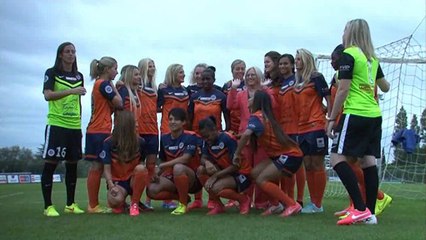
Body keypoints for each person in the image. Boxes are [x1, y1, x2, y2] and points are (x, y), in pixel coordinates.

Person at [327, 19, 387, 225]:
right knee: (368, 161)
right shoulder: (372, 59)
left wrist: (331, 118)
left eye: (344, 29)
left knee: (336, 158)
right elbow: (385, 87)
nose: (342, 33)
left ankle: (360, 208)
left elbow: (343, 90)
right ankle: (370, 214)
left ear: (350, 32)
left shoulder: (349, 54)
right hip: (374, 115)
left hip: (356, 113)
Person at [234, 90, 304, 217]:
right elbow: (250, 134)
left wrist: (237, 154)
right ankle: (276, 205)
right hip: (283, 155)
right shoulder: (266, 116)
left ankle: (291, 204)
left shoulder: (256, 116)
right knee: (254, 173)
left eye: (251, 98)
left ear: (256, 102)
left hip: (290, 156)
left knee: (262, 179)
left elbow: (246, 135)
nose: (248, 100)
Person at [41, 42, 86, 216]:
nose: (71, 54)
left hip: (74, 126)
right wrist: (71, 91)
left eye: (73, 51)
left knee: (72, 165)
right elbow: (48, 95)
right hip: (57, 124)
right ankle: (48, 206)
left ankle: (70, 204)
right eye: (67, 51)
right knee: (51, 164)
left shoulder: (78, 75)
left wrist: (79, 121)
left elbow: (78, 102)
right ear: (60, 54)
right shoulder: (51, 72)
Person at [226, 66, 270, 209]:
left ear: (259, 76)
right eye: (248, 75)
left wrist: (265, 90)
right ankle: (246, 199)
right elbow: (230, 106)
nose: (250, 77)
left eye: (253, 75)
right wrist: (233, 89)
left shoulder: (265, 92)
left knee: (260, 167)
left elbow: (273, 106)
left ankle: (261, 202)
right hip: (244, 134)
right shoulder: (241, 94)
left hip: (261, 135)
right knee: (245, 169)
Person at [293, 48, 331, 214]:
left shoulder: (316, 77)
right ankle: (313, 202)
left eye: (299, 59)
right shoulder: (297, 82)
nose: (296, 62)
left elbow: (329, 100)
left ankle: (318, 203)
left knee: (317, 163)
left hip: (316, 126)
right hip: (301, 128)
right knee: (307, 164)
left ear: (306, 60)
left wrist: (330, 119)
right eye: (296, 59)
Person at [187, 68, 229, 209]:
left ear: (213, 80)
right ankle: (197, 199)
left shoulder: (221, 96)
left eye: (208, 79)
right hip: (196, 136)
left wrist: (226, 134)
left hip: (213, 138)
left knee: (211, 167)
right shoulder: (194, 97)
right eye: (202, 79)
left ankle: (213, 199)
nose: (205, 81)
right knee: (196, 167)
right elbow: (189, 118)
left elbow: (227, 118)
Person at [146, 108, 202, 215]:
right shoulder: (164, 138)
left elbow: (186, 158)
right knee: (151, 189)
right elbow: (162, 159)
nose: (172, 122)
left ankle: (183, 205)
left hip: (192, 179)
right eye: (170, 119)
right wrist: (157, 173)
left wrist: (162, 165)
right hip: (172, 177)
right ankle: (182, 197)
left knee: (178, 167)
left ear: (183, 122)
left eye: (176, 120)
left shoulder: (190, 136)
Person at [85, 56, 122, 213]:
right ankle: (93, 205)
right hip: (99, 130)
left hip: (97, 129)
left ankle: (95, 204)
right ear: (107, 69)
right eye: (115, 68)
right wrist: (115, 87)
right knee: (98, 166)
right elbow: (119, 102)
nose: (117, 72)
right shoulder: (104, 84)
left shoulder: (99, 84)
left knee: (99, 166)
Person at [197, 117, 251, 215]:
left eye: (207, 136)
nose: (206, 139)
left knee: (216, 188)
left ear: (214, 129)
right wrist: (206, 162)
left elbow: (236, 166)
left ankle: (243, 200)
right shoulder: (206, 141)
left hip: (241, 174)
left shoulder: (228, 139)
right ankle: (218, 205)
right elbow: (203, 158)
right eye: (203, 137)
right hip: (225, 173)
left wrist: (216, 176)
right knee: (201, 170)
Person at [101, 111, 148, 216]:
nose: (137, 125)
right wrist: (111, 185)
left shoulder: (141, 142)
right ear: (126, 125)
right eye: (134, 122)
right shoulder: (109, 143)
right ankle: (122, 203)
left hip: (132, 179)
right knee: (115, 202)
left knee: (141, 169)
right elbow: (107, 168)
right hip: (117, 182)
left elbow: (141, 163)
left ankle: (135, 204)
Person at [277, 53, 306, 207]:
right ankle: (287, 198)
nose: (283, 66)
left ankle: (299, 199)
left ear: (292, 65)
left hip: (297, 128)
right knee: (285, 164)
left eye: (286, 63)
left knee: (298, 164)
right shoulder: (281, 83)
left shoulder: (298, 79)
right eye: (280, 64)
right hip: (284, 129)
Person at [137, 58, 159, 209]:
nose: (152, 68)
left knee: (151, 165)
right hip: (139, 130)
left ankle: (148, 199)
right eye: (149, 66)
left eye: (153, 66)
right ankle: (135, 199)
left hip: (153, 130)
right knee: (138, 166)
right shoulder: (138, 85)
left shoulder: (155, 87)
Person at [157, 64, 189, 134]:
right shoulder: (163, 90)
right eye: (181, 72)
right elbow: (156, 108)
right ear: (173, 74)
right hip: (168, 129)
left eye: (183, 72)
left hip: (183, 128)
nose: (184, 75)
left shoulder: (186, 90)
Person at [222, 59, 246, 135]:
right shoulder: (227, 85)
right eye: (237, 69)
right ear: (232, 71)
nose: (240, 71)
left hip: (245, 119)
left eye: (242, 69)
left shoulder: (248, 84)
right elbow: (224, 107)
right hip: (232, 121)